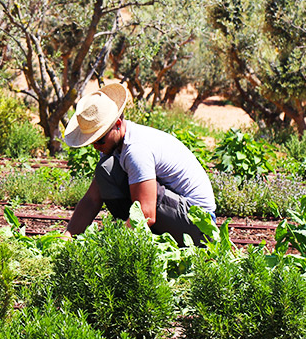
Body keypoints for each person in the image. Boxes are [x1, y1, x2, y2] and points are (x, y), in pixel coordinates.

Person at [63, 82, 215, 245]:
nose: (96, 146)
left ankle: (142, 242)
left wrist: (110, 246)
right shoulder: (115, 143)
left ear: (118, 125)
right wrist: (67, 236)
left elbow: (146, 213)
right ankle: (142, 240)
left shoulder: (136, 150)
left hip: (199, 226)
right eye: (91, 141)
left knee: (139, 194)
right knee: (105, 170)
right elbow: (92, 199)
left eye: (99, 139)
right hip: (179, 215)